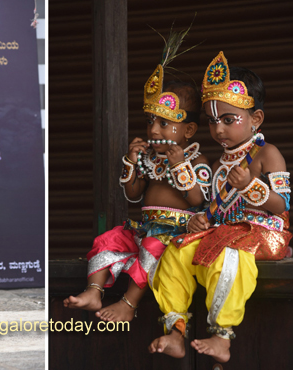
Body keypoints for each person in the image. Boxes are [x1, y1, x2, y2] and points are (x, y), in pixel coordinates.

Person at [148, 51, 292, 363]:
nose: (219, 130)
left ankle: (222, 335)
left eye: (229, 120)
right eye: (213, 122)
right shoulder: (217, 163)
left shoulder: (267, 154)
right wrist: (200, 221)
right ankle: (176, 330)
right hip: (223, 230)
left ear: (256, 119)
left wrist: (250, 186)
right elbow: (213, 208)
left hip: (263, 232)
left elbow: (282, 204)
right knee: (177, 250)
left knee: (228, 253)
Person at [63, 41, 212, 323]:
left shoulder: (196, 160)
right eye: (149, 121)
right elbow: (133, 195)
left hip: (174, 234)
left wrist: (179, 165)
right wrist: (132, 162)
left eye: (164, 124)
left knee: (153, 246)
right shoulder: (149, 159)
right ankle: (94, 290)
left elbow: (197, 200)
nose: (153, 130)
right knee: (107, 238)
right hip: (144, 228)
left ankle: (128, 304)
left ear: (189, 130)